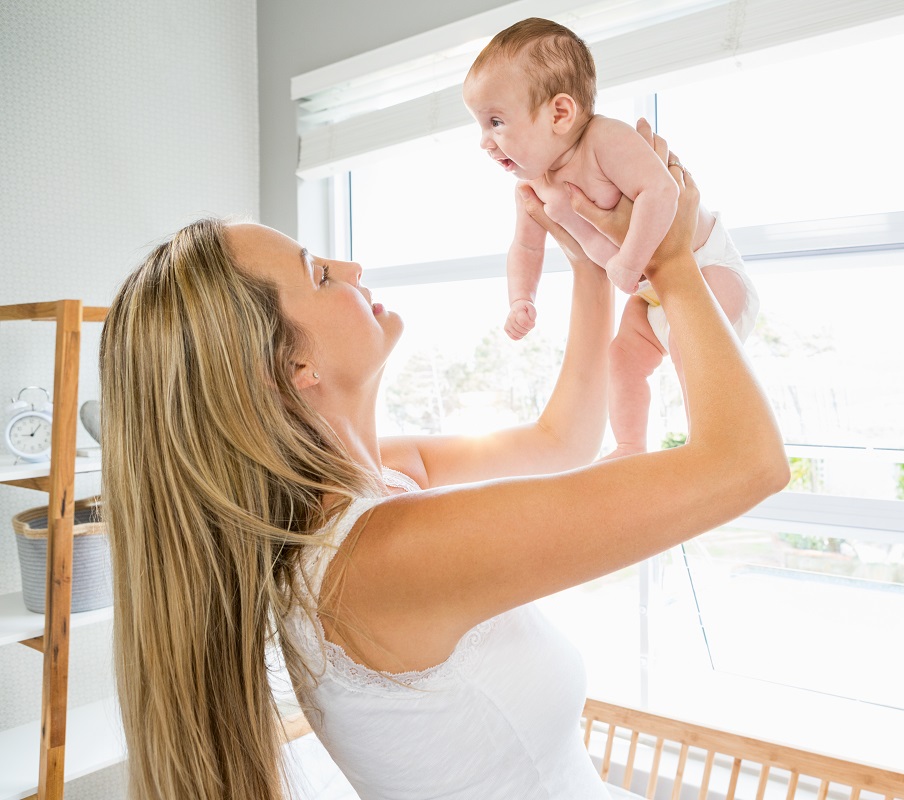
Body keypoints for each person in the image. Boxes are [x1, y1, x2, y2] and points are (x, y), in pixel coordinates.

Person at [99, 121, 787, 800]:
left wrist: (586, 262)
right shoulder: (381, 558)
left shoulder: (368, 491)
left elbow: (560, 442)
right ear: (293, 363)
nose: (350, 269)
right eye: (317, 272)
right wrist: (670, 261)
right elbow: (745, 463)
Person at [463, 18, 760, 460]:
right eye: (481, 126)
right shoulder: (532, 188)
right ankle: (629, 446)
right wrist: (520, 298)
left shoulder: (605, 139)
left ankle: (709, 440)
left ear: (559, 113)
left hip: (707, 266)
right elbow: (526, 247)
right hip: (649, 293)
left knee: (686, 344)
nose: (485, 142)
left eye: (496, 121)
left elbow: (662, 192)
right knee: (620, 359)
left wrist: (628, 260)